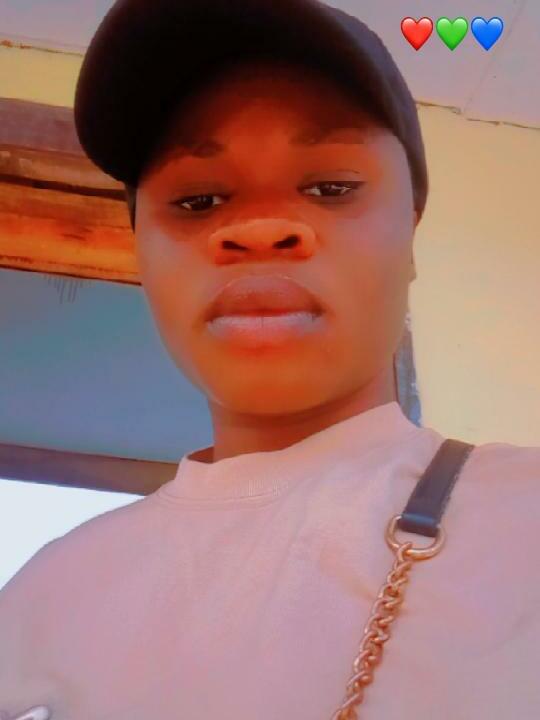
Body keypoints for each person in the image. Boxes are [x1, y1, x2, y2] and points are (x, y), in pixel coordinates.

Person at [1, 1, 539, 719]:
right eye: (197, 200)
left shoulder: (522, 518)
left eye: (330, 188)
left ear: (410, 235)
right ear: (141, 258)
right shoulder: (47, 595)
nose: (258, 228)